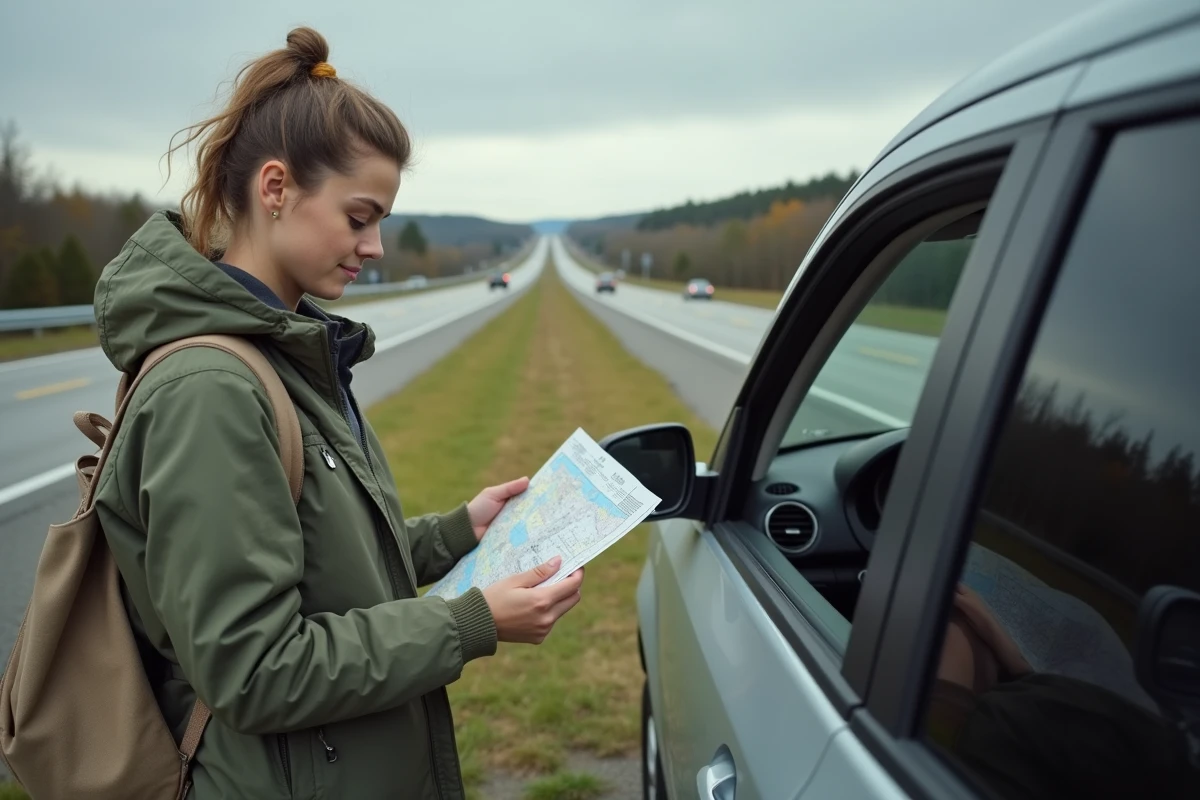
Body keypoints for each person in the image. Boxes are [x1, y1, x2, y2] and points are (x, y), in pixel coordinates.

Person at [92, 27, 584, 800]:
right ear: (276, 188)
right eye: (359, 218)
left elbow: (314, 564)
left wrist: (457, 533)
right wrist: (468, 623)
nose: (377, 245)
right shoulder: (211, 391)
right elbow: (255, 670)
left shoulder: (287, 356)